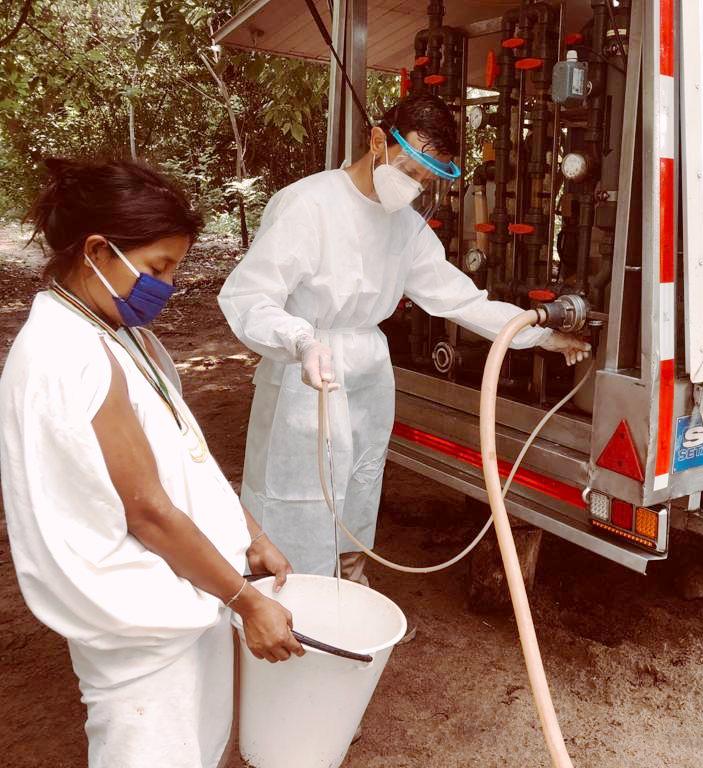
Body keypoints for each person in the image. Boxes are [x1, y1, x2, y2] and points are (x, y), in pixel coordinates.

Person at [0, 158, 305, 768]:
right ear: (96, 250)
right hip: (138, 622)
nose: (166, 285)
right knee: (154, 749)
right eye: (157, 267)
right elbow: (148, 511)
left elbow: (182, 450)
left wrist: (249, 531)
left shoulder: (116, 329)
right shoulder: (69, 354)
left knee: (193, 744)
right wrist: (248, 603)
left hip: (183, 593)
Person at [219, 93, 591, 580]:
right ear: (378, 140)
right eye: (410, 169)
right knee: (299, 489)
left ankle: (349, 588)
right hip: (306, 371)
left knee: (359, 482)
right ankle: (289, 600)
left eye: (426, 179)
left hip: (368, 369)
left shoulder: (406, 228)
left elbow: (461, 300)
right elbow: (249, 297)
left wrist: (537, 335)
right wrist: (301, 341)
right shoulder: (308, 204)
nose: (415, 186)